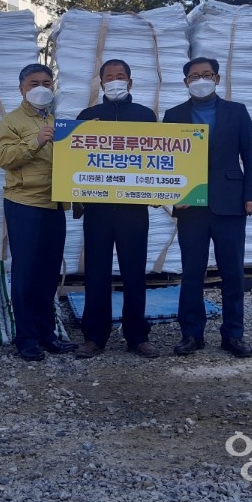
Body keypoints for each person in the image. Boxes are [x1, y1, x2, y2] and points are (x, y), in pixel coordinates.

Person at [163, 57, 252, 357]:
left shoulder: (237, 112)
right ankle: (191, 334)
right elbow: (166, 161)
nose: (201, 80)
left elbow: (251, 155)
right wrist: (163, 193)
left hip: (231, 202)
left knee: (233, 273)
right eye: (194, 76)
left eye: (207, 74)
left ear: (217, 79)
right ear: (186, 83)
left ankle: (233, 335)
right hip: (190, 203)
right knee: (192, 272)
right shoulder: (174, 115)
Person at [73, 59, 160, 359]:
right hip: (97, 209)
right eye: (109, 77)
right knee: (96, 273)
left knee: (134, 273)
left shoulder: (145, 116)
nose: (115, 81)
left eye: (121, 76)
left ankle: (137, 335)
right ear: (100, 83)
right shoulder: (87, 117)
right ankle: (94, 336)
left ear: (130, 82)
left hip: (133, 209)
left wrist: (161, 190)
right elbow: (74, 160)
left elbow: (159, 158)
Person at [0, 63, 77, 362]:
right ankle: (26, 338)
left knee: (47, 273)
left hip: (54, 205)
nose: (41, 88)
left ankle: (46, 333)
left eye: (46, 82)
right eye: (33, 83)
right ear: (22, 88)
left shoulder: (59, 122)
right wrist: (36, 140)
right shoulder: (11, 121)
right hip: (25, 204)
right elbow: (3, 158)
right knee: (26, 273)